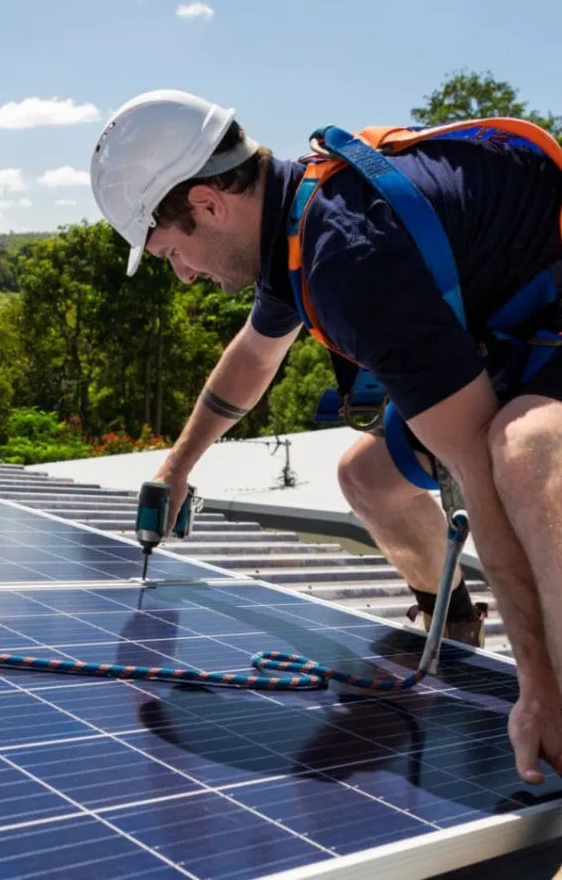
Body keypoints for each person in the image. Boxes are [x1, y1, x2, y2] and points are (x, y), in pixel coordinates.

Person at [89, 88, 562, 786]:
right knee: (368, 479)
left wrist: (537, 686)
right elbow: (252, 359)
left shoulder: (348, 257)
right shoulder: (294, 225)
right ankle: (453, 624)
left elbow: (474, 475)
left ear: (209, 204)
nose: (182, 273)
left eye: (169, 251)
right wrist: (178, 466)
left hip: (543, 326)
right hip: (515, 340)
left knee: (520, 456)